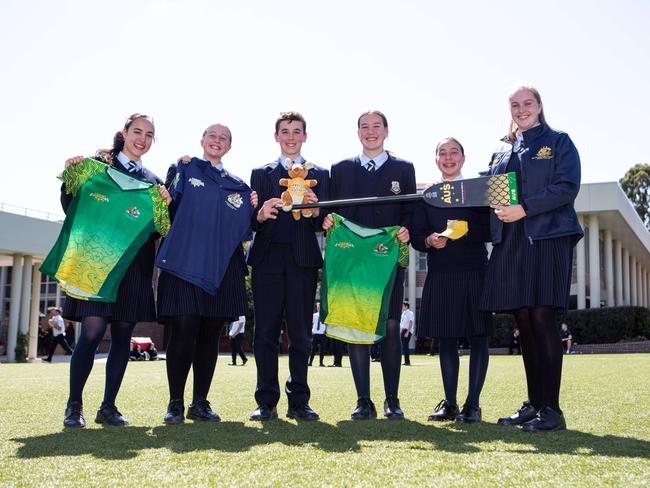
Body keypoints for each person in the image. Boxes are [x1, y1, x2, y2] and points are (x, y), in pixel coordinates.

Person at [480, 86, 583, 432]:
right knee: (523, 322)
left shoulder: (558, 141)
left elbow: (567, 187)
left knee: (542, 317)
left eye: (527, 103)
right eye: (515, 105)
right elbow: (493, 194)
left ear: (539, 106)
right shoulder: (501, 150)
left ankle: (552, 410)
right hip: (511, 243)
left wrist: (524, 209)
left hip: (548, 238)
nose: (521, 109)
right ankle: (534, 404)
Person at [59, 113, 170, 428]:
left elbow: (157, 230)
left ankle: (108, 407)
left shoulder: (154, 182)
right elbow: (73, 206)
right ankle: (74, 405)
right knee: (92, 332)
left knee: (123, 334)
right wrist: (71, 178)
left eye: (149, 135)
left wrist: (165, 205)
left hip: (135, 267)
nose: (142, 139)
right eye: (138, 132)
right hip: (99, 263)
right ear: (124, 133)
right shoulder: (100, 165)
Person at [156, 123, 255, 424]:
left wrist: (254, 208)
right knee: (184, 330)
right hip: (184, 264)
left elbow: (249, 227)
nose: (217, 140)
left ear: (229, 147)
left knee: (211, 335)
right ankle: (175, 402)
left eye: (223, 138)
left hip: (223, 268)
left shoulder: (240, 186)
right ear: (202, 140)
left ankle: (200, 402)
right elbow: (168, 210)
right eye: (212, 135)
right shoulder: (184, 168)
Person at [323, 110, 416, 420]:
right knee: (356, 325)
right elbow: (331, 211)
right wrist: (325, 220)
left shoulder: (403, 168)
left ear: (387, 131)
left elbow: (410, 212)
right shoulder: (340, 169)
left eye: (377, 126)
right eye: (365, 126)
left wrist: (406, 228)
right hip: (351, 263)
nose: (371, 131)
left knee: (390, 326)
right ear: (358, 132)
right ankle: (364, 400)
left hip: (387, 260)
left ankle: (392, 400)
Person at [247, 111, 329, 422]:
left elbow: (325, 222)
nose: (291, 137)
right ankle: (265, 401)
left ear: (305, 136)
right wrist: (259, 215)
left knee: (301, 335)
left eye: (297, 131)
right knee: (265, 333)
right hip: (267, 260)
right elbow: (250, 221)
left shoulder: (321, 173)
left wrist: (315, 210)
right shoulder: (260, 173)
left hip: (303, 261)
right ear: (276, 136)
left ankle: (300, 401)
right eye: (285, 131)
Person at [411, 137, 493, 423]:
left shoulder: (477, 190)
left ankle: (473, 405)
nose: (448, 158)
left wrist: (464, 230)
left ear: (463, 158)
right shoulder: (428, 195)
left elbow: (489, 229)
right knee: (446, 340)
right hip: (441, 271)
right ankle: (451, 403)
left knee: (478, 336)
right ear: (436, 159)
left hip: (474, 270)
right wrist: (429, 240)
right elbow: (417, 234)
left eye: (453, 153)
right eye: (442, 153)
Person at [309, 301, 326, 367]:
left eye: (320, 307)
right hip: (315, 334)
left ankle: (321, 363)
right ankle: (310, 362)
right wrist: (311, 330)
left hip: (322, 334)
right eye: (318, 307)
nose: (319, 308)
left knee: (322, 350)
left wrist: (326, 330)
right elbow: (311, 323)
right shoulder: (314, 315)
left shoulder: (325, 315)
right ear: (317, 308)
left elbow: (327, 324)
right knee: (313, 349)